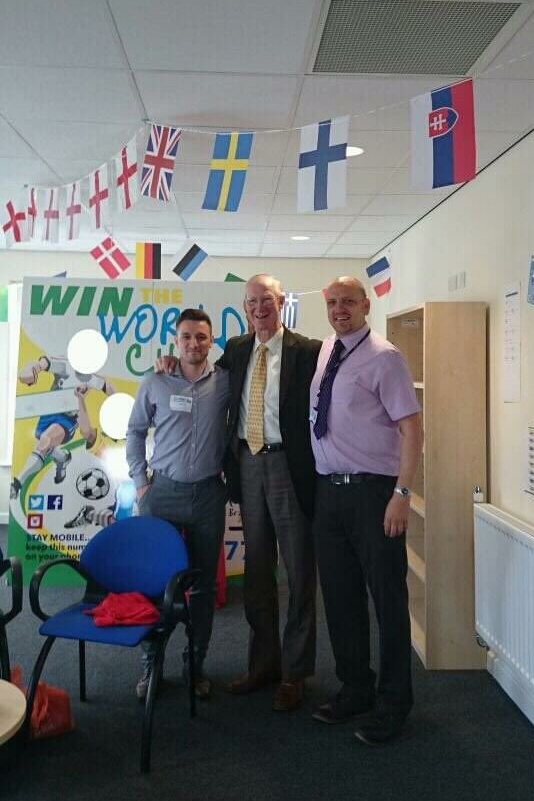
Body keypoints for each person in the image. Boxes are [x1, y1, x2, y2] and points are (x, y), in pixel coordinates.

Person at [310, 276, 422, 745]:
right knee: (339, 598)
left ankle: (394, 702)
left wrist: (402, 494)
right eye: (333, 302)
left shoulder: (385, 357)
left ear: (366, 304)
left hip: (375, 494)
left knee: (387, 599)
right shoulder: (326, 351)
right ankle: (356, 686)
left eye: (348, 302)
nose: (340, 309)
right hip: (330, 494)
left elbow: (412, 430)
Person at [221, 274, 321, 711]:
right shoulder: (236, 349)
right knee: (257, 571)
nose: (259, 308)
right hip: (247, 464)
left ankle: (295, 674)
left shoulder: (309, 352)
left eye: (267, 300)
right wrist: (169, 365)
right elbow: (202, 380)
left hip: (289, 465)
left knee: (298, 571)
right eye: (251, 301)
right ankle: (264, 664)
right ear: (244, 307)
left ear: (282, 302)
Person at [126, 308, 229, 701]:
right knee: (155, 584)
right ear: (176, 340)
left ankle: (195, 666)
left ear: (211, 339)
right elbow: (135, 432)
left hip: (207, 495)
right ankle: (152, 665)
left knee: (202, 586)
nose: (193, 344)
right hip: (162, 494)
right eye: (186, 336)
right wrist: (140, 484)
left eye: (201, 337)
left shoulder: (225, 382)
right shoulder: (155, 381)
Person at [10, 355, 114, 499]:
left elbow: (108, 389)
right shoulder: (65, 365)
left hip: (67, 419)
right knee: (42, 441)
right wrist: (32, 370)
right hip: (49, 411)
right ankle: (63, 457)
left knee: (45, 440)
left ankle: (17, 483)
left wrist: (120, 406)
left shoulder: (93, 378)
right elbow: (42, 364)